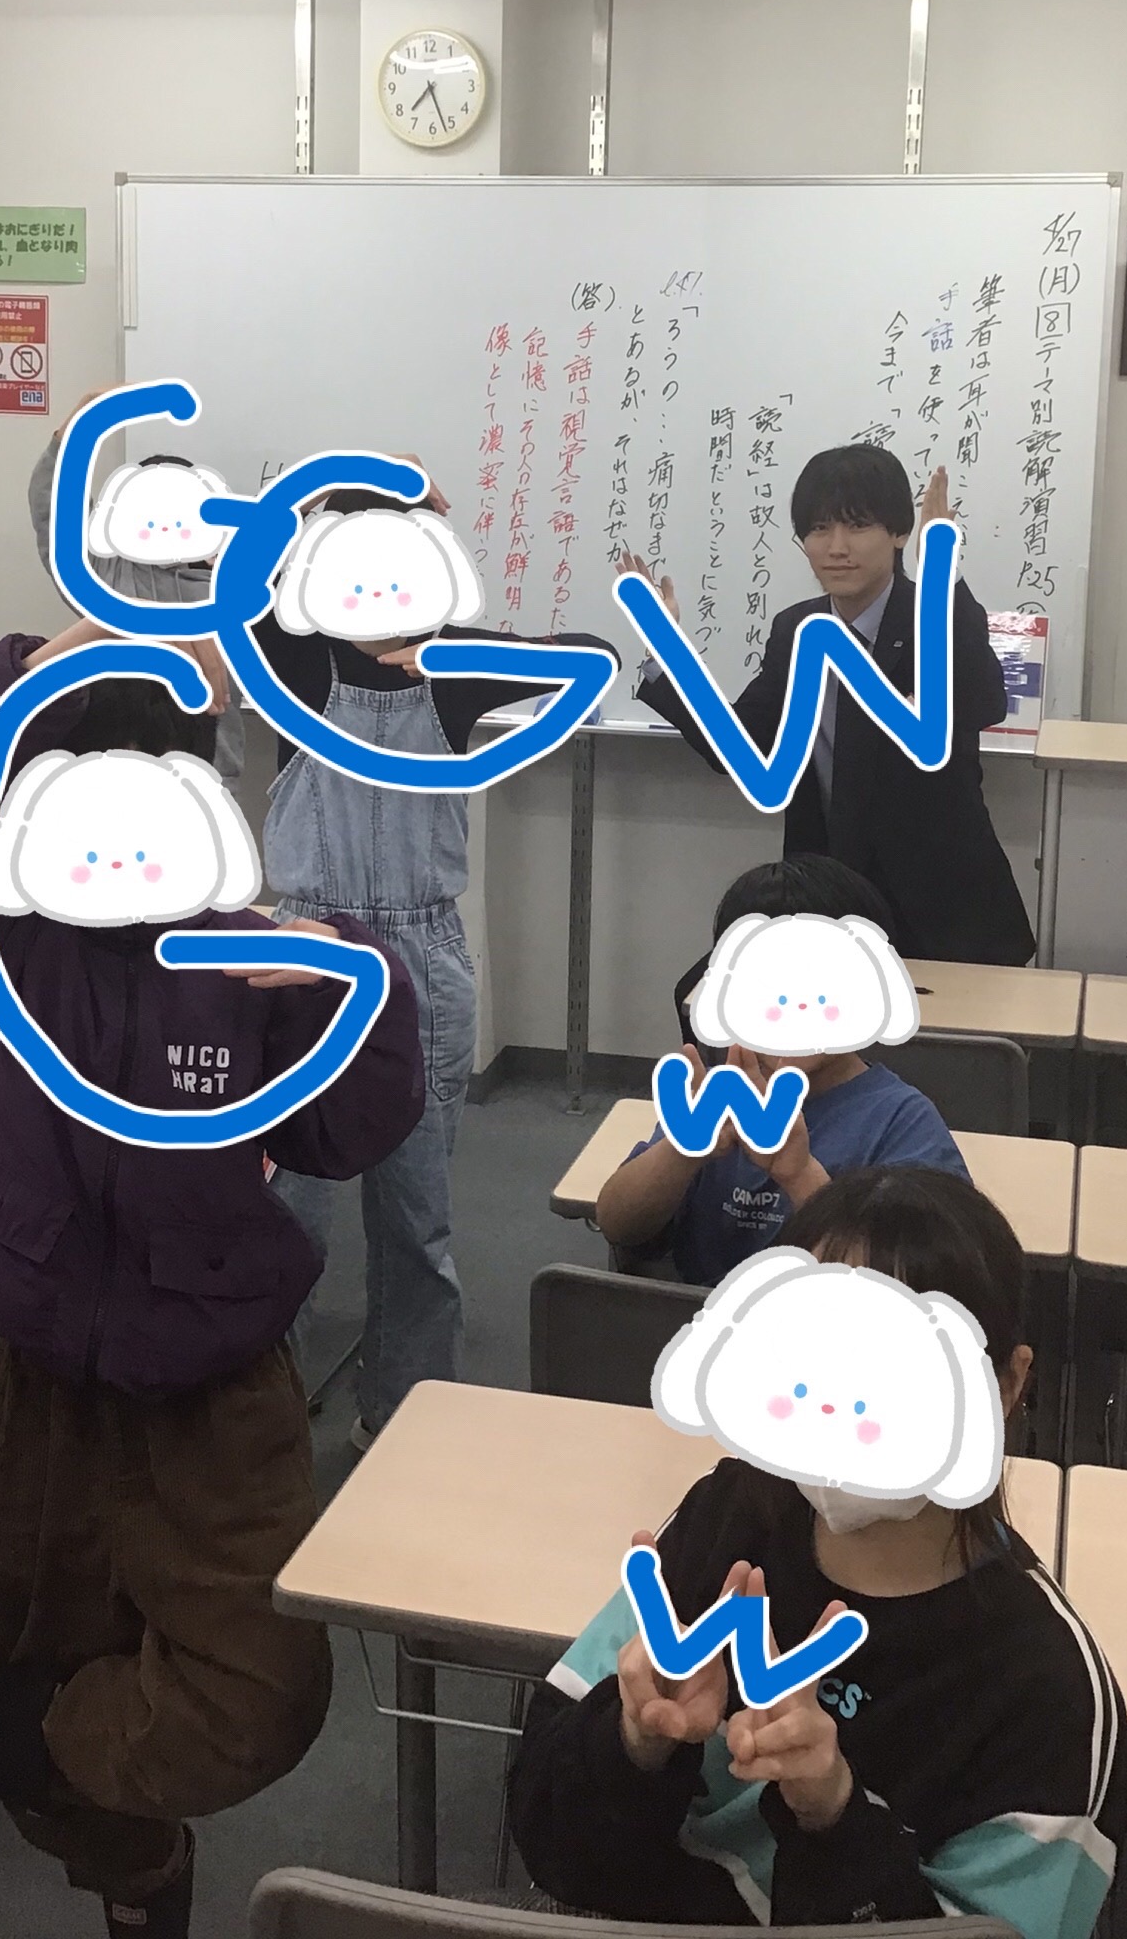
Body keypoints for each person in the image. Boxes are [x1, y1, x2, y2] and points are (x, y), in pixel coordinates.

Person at [0, 615, 426, 1937]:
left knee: (257, 1694)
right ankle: (135, 1882)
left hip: (213, 1383)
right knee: (59, 1652)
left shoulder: (244, 953)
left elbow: (350, 1129)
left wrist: (357, 980)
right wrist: (35, 663)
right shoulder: (1, 943)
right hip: (46, 1375)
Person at [509, 1168, 1127, 1936]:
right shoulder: (726, 1515)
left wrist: (832, 1812)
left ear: (1006, 1385)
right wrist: (634, 1741)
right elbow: (550, 1838)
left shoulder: (1047, 1690)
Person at [253, 483, 617, 1451]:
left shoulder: (450, 670)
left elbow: (594, 658)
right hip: (308, 954)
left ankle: (403, 1416)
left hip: (420, 959)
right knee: (286, 1206)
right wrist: (349, 485)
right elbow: (246, 569)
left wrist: (457, 651)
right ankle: (259, 1415)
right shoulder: (294, 655)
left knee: (414, 1216)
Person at [624, 446, 1034, 967]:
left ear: (899, 534)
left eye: (857, 526)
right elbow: (740, 743)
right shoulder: (796, 629)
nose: (837, 548)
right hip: (828, 904)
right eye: (819, 529)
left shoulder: (931, 616)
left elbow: (983, 700)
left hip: (944, 914)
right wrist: (665, 654)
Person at [595, 857, 967, 1283]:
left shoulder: (902, 1120)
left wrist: (801, 1176)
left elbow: (920, 1281)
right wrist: (680, 1153)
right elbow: (617, 1224)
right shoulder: (719, 1093)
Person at [30, 409, 245, 790]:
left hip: (209, 775)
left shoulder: (229, 591)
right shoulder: (105, 575)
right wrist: (69, 435)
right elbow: (56, 509)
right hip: (112, 767)